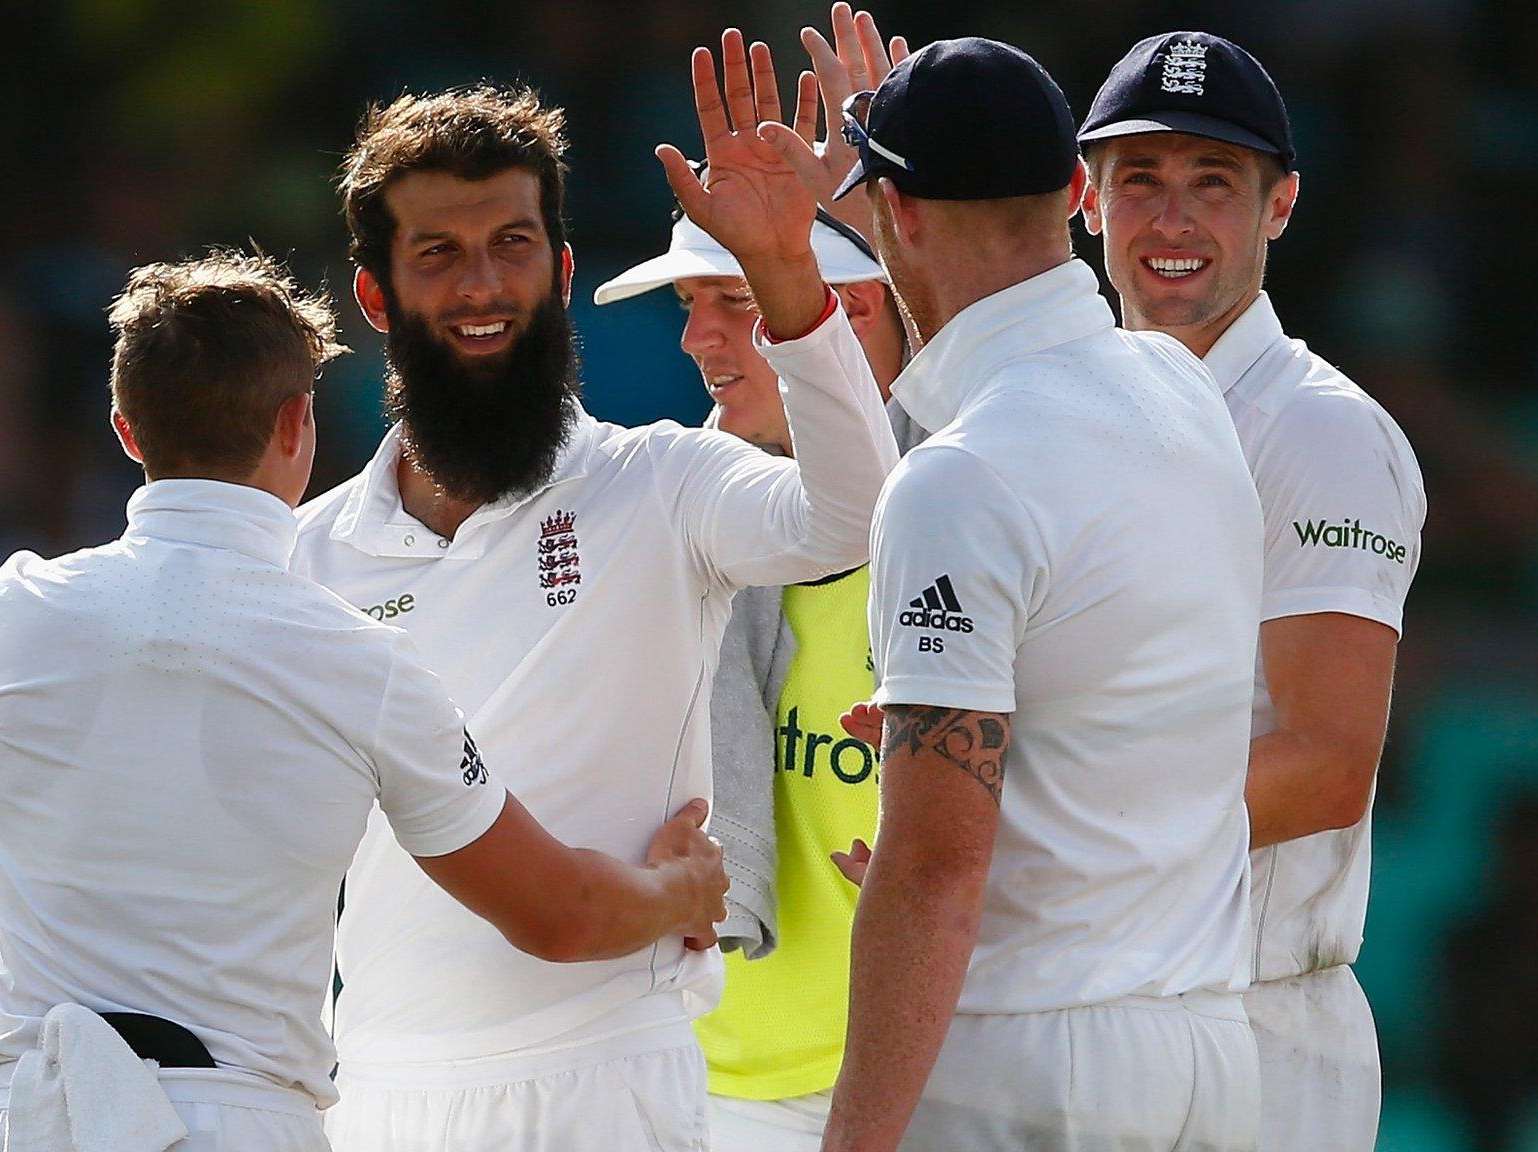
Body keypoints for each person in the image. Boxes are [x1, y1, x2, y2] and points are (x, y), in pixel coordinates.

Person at [0, 253, 727, 1152]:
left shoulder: (6, 612)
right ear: (295, 423)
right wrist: (683, 889)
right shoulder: (359, 662)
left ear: (128, 430)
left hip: (26, 1119)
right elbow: (561, 916)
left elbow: (4, 793)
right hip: (234, 1121)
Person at [290, 38, 899, 1152]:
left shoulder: (664, 482)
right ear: (375, 295)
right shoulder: (306, 557)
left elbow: (857, 517)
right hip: (375, 1085)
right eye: (439, 254)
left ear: (561, 271)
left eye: (511, 245)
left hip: (611, 1082)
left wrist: (786, 282)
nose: (481, 285)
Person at [812, 38, 1266, 1152]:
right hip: (1209, 1055)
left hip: (1028, 1065)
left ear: (894, 214)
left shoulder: (957, 477)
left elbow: (928, 874)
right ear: (1076, 194)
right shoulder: (1180, 383)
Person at [1077, 32, 1428, 1152]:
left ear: (1278, 206)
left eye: (1211, 184)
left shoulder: (1317, 430)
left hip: (1254, 1030)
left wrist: (1044, 842)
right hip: (1085, 1011)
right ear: (1086, 202)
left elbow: (1326, 765)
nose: (1170, 221)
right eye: (1140, 181)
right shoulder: (1067, 412)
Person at [598, 100, 908, 1152]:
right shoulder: (660, 512)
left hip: (911, 1085)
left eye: (733, 301)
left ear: (851, 314)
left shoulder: (977, 521)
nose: (693, 339)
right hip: (684, 1085)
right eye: (690, 304)